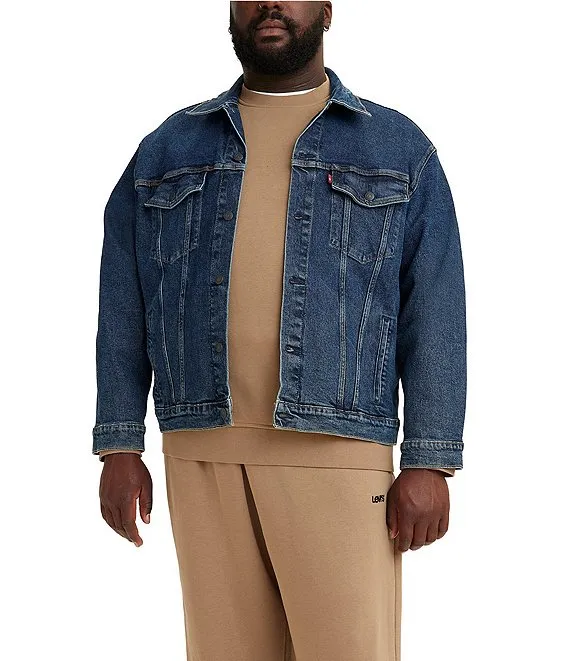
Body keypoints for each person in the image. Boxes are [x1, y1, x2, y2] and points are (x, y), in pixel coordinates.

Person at [94, 2, 467, 659]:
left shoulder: (397, 148)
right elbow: (124, 300)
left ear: (326, 10)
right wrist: (120, 443)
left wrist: (429, 458)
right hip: (200, 449)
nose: (269, 4)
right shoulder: (167, 149)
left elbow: (434, 305)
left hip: (338, 449)